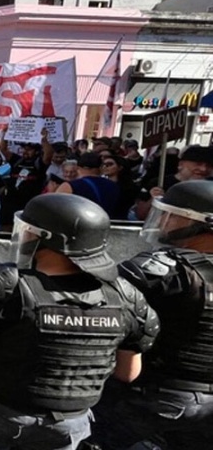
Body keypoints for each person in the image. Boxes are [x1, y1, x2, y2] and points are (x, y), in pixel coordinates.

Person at [0, 194, 159, 450]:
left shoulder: (9, 284)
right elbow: (127, 373)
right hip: (70, 423)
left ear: (44, 239)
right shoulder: (126, 297)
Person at [89, 181, 213, 449]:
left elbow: (94, 310)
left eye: (173, 216)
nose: (164, 222)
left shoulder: (160, 270)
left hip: (154, 398)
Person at [55, 152, 120, 217]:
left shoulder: (69, 186)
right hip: (107, 222)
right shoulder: (114, 186)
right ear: (101, 167)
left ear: (78, 168)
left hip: (78, 222)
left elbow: (54, 208)